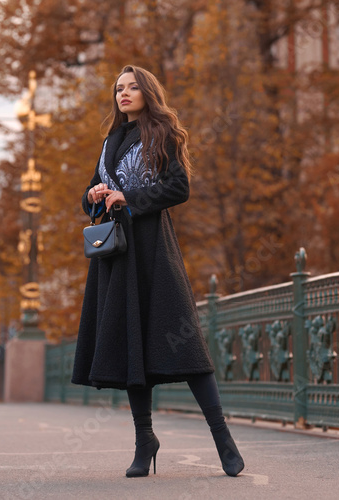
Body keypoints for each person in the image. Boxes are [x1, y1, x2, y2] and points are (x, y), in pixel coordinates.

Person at [71, 65, 244, 478]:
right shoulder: (110, 140)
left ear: (148, 91)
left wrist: (127, 197)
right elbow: (92, 192)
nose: (124, 94)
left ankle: (223, 439)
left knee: (187, 346)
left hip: (153, 251)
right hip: (117, 256)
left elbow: (178, 187)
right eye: (118, 89)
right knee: (133, 345)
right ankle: (144, 441)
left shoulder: (161, 131)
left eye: (132, 87)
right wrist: (94, 194)